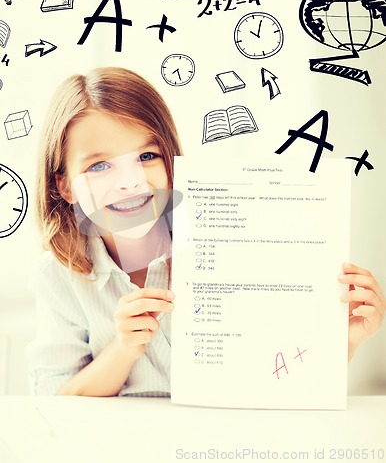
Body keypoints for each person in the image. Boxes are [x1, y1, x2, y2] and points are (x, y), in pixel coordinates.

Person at [27, 66, 385, 397]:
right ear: (65, 186)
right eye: (100, 165)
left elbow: (279, 377)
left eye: (147, 156)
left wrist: (345, 341)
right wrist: (122, 349)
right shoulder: (60, 275)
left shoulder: (224, 240)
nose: (130, 183)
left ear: (171, 162)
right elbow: (56, 399)